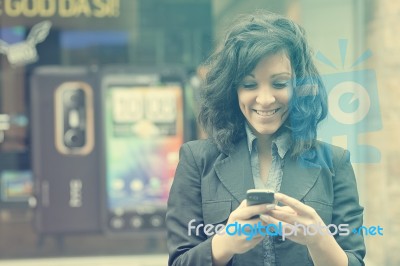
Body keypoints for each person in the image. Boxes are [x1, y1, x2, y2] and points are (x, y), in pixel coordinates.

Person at [166, 11, 365, 266]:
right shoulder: (197, 160)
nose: (265, 99)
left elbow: (355, 260)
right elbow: (179, 261)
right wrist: (224, 243)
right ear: (232, 89)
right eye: (249, 85)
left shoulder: (335, 163)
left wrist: (318, 239)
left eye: (280, 84)